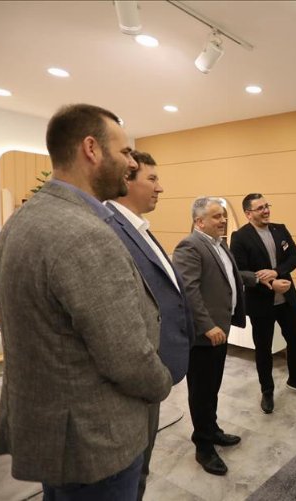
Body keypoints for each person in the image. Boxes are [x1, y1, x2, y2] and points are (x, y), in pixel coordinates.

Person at [0, 104, 172, 500]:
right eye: (124, 152)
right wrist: (163, 382)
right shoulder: (83, 233)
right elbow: (126, 355)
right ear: (91, 149)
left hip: (56, 434)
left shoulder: (21, 221)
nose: (131, 163)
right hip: (95, 442)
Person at [104, 150, 194, 499]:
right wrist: (153, 375)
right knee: (129, 474)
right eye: (152, 179)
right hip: (137, 378)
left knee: (139, 470)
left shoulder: (138, 228)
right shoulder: (110, 229)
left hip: (150, 374)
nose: (160, 188)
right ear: (126, 180)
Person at [172, 197, 257, 476]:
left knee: (212, 387)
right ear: (199, 222)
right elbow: (189, 290)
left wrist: (257, 278)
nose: (223, 220)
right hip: (204, 335)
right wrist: (207, 325)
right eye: (216, 216)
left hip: (220, 330)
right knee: (201, 391)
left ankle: (212, 429)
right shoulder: (190, 246)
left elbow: (229, 277)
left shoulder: (219, 244)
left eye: (223, 215)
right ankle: (203, 446)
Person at [230, 193, 296, 415]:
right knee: (263, 349)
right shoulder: (240, 237)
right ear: (248, 213)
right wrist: (269, 283)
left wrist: (277, 272)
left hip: (287, 299)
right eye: (260, 208)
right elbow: (240, 272)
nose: (266, 210)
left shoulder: (280, 229)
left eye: (266, 206)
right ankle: (267, 391)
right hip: (260, 302)